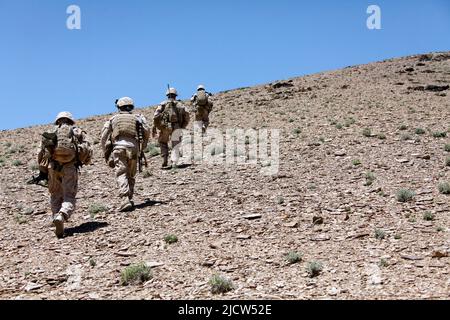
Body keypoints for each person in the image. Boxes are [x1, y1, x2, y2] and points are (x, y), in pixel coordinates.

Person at [38, 112, 92, 238]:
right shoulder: (77, 131)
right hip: (70, 167)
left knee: (55, 194)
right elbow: (88, 149)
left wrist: (42, 171)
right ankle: (62, 215)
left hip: (52, 167)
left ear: (58, 121)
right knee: (69, 196)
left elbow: (40, 153)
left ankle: (55, 216)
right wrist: (85, 161)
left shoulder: (51, 132)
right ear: (70, 121)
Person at [101, 97, 150, 212]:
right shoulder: (138, 118)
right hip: (133, 148)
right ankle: (129, 197)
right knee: (131, 174)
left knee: (121, 173)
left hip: (118, 148)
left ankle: (125, 199)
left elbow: (103, 136)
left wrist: (105, 151)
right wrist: (143, 146)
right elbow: (146, 131)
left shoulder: (113, 119)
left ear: (119, 107)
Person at [152, 88, 190, 169]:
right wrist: (183, 126)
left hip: (165, 127)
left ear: (167, 95)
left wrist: (156, 126)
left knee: (162, 142)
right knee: (175, 145)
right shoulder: (180, 104)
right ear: (175, 96)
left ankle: (164, 159)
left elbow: (155, 116)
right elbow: (187, 116)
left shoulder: (162, 104)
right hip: (177, 126)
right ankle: (174, 162)